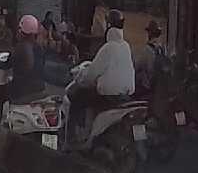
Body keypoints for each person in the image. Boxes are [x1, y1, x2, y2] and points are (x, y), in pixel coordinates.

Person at [69, 8, 135, 139]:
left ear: (109, 25)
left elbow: (92, 73)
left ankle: (73, 137)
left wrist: (80, 78)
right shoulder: (126, 46)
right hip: (125, 96)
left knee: (77, 95)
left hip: (109, 96)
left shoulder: (108, 48)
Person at [9, 15, 46, 105]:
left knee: (0, 92)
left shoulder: (21, 47)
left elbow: (9, 63)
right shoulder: (39, 48)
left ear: (21, 31)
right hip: (41, 90)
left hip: (22, 94)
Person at [133, 19, 167, 98]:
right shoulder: (163, 48)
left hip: (148, 88)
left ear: (149, 33)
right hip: (160, 87)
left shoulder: (147, 50)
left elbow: (136, 67)